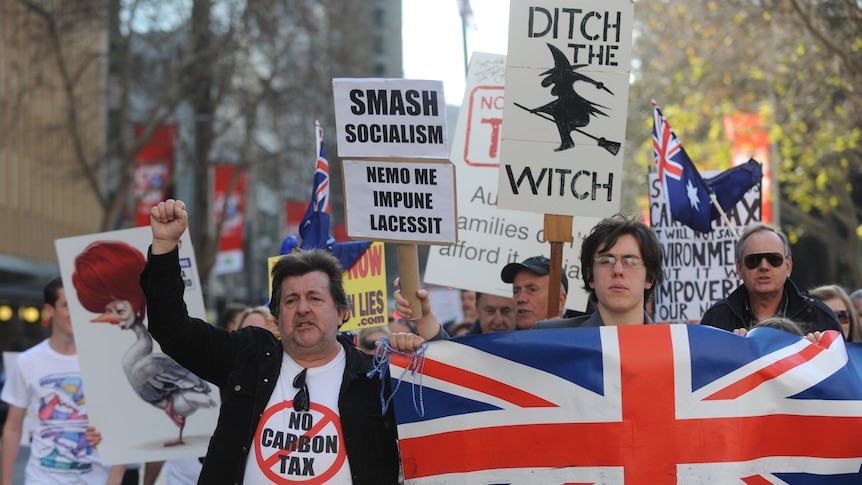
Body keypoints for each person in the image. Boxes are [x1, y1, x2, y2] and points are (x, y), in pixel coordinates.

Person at [142, 199, 410, 484]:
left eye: (315, 298)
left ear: (342, 313)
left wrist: (428, 334)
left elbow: (450, 411)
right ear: (277, 316)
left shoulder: (377, 380)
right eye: (291, 300)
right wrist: (164, 249)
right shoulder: (247, 358)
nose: (303, 309)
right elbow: (171, 329)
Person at [1, 277, 125, 485]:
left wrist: (114, 479)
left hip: (94, 478)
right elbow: (13, 427)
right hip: (41, 479)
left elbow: (121, 422)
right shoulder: (27, 361)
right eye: (67, 306)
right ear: (49, 310)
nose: (75, 314)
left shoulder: (104, 361)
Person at [699, 223, 842, 334]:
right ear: (739, 268)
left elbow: (841, 369)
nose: (764, 266)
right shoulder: (716, 319)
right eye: (753, 260)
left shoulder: (819, 318)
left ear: (788, 266)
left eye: (774, 259)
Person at [533, 214, 664, 328]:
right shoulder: (552, 337)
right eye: (606, 261)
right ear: (590, 276)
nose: (618, 270)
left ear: (650, 277)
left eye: (630, 262)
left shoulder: (678, 348)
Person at [500, 255, 568, 329]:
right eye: (516, 291)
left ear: (560, 301)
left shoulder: (578, 339)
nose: (521, 299)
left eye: (532, 290)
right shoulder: (500, 339)